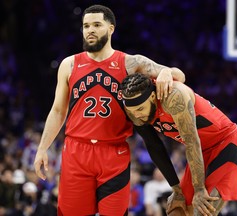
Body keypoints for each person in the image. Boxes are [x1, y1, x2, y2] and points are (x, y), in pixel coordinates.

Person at [33, 4, 185, 216]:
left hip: (114, 152)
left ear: (111, 28)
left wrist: (167, 72)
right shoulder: (69, 64)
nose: (90, 30)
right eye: (86, 26)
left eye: (97, 24)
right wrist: (42, 148)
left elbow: (179, 75)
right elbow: (58, 111)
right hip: (76, 151)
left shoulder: (131, 63)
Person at [120, 73, 237, 216]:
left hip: (227, 143)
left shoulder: (173, 97)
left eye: (140, 110)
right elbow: (154, 145)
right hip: (201, 150)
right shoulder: (135, 111)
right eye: (131, 112)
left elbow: (192, 142)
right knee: (176, 210)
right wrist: (176, 189)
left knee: (204, 209)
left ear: (152, 97)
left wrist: (199, 189)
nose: (136, 115)